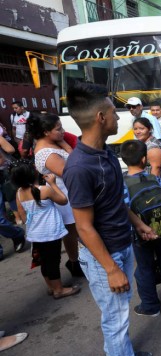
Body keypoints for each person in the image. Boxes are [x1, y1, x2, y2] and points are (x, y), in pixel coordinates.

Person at [63, 82, 160, 356]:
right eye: (114, 111)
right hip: (104, 257)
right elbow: (85, 227)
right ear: (101, 117)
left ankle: (116, 355)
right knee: (116, 318)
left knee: (115, 315)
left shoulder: (105, 152)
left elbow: (116, 200)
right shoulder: (78, 167)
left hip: (122, 245)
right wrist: (111, 269)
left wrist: (139, 224)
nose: (121, 118)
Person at [121, 139, 161, 316]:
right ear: (144, 159)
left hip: (141, 233)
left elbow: (124, 210)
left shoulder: (122, 184)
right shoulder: (155, 179)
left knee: (144, 267)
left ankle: (150, 305)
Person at [12, 163, 81, 299]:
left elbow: (23, 216)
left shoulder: (19, 193)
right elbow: (63, 200)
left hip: (35, 234)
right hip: (50, 232)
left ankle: (51, 286)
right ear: (33, 174)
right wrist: (53, 184)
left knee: (43, 260)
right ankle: (59, 290)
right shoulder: (44, 190)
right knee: (53, 261)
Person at [30, 112, 83, 278]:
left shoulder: (54, 143)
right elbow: (72, 171)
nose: (63, 131)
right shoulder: (47, 153)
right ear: (46, 132)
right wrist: (66, 146)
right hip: (64, 194)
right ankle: (75, 262)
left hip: (68, 190)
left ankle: (77, 261)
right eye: (58, 129)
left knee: (75, 229)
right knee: (73, 231)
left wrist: (62, 142)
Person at [133, 117, 161, 185]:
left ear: (149, 129)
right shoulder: (143, 144)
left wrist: (152, 191)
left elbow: (156, 172)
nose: (137, 132)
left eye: (141, 128)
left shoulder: (153, 148)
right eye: (135, 129)